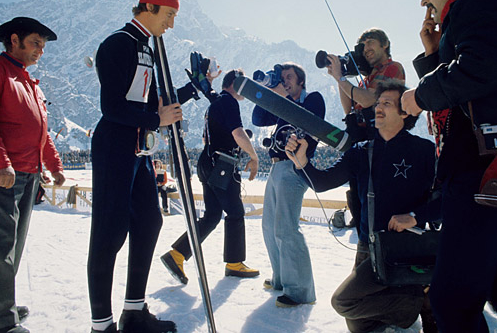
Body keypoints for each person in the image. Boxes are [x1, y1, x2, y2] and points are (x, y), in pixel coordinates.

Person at [402, 0, 497, 331]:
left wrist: (418, 96)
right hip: (490, 169)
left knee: (451, 301)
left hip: (482, 171)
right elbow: (467, 97)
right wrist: (435, 53)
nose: (423, 0)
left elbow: (483, 68)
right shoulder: (484, 9)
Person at [286, 82, 439, 332]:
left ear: (405, 113)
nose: (378, 107)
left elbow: (447, 199)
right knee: (358, 321)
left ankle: (423, 304)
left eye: (387, 103)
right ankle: (414, 302)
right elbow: (323, 182)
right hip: (369, 249)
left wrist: (414, 217)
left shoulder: (424, 151)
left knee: (343, 302)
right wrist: (302, 162)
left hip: (409, 249)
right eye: (378, 103)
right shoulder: (360, 151)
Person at [87, 0, 192, 332]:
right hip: (114, 145)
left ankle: (134, 311)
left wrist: (190, 91)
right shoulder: (118, 43)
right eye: (169, 14)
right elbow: (111, 106)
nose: (172, 23)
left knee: (149, 220)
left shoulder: (148, 46)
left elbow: (153, 103)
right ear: (149, 5)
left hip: (138, 149)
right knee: (110, 231)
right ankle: (101, 325)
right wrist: (154, 117)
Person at [0, 17, 65, 333]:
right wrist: (0, 164)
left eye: (43, 46)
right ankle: (1, 322)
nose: (40, 50)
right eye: (36, 42)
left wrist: (54, 167)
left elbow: (41, 132)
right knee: (1, 245)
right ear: (14, 39)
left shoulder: (29, 83)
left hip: (24, 173)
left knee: (11, 246)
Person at [161, 69, 260, 284]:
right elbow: (238, 133)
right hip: (222, 165)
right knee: (235, 212)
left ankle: (177, 255)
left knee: (213, 215)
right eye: (243, 84)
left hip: (208, 163)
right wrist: (254, 156)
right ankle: (234, 263)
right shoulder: (229, 102)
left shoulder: (218, 102)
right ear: (235, 84)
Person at [252, 62, 325, 307]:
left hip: (295, 166)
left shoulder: (312, 98)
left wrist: (283, 100)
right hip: (276, 166)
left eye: (289, 77)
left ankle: (300, 291)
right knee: (269, 226)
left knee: (286, 228)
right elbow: (258, 118)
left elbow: (311, 121)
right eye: (282, 78)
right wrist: (269, 94)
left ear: (301, 80)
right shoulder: (280, 103)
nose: (285, 81)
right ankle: (281, 278)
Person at [325, 28, 406, 236]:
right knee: (360, 200)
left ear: (385, 44)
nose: (366, 49)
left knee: (375, 199)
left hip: (379, 141)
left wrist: (343, 80)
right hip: (361, 140)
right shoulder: (365, 80)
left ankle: (374, 255)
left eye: (370, 43)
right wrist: (340, 78)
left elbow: (369, 99)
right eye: (362, 46)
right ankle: (364, 253)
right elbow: (349, 108)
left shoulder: (392, 68)